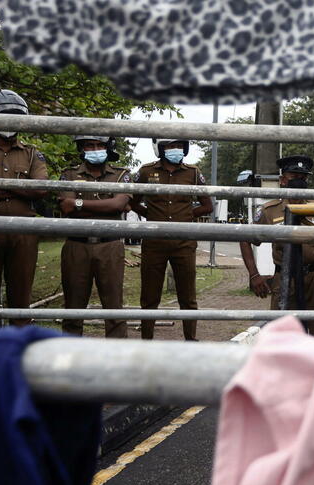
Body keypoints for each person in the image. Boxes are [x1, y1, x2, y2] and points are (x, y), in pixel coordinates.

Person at [239, 155, 314, 335]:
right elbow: (245, 239)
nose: (299, 182)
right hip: (284, 278)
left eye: (303, 178)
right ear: (282, 180)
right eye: (294, 177)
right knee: (283, 334)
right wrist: (254, 275)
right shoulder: (270, 211)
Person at [0, 90, 50, 326]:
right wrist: (20, 186)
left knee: (21, 295)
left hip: (23, 231)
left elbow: (41, 189)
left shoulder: (31, 153)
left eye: (15, 117)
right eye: (5, 116)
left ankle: (19, 341)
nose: (9, 122)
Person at [132, 138, 213, 340]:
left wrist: (186, 216)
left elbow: (207, 206)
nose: (175, 150)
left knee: (188, 297)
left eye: (179, 146)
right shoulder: (146, 172)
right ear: (161, 149)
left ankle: (191, 340)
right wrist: (150, 214)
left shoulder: (193, 173)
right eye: (170, 146)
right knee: (149, 296)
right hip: (154, 241)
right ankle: (146, 341)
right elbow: (132, 201)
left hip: (183, 242)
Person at [56, 136, 131, 338]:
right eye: (90, 145)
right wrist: (107, 206)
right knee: (73, 307)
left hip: (110, 245)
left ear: (108, 148)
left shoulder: (121, 175)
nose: (95, 149)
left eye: (100, 145)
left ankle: (117, 353)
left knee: (114, 307)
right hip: (76, 245)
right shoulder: (69, 174)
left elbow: (118, 205)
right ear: (82, 149)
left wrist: (79, 204)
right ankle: (70, 353)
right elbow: (66, 207)